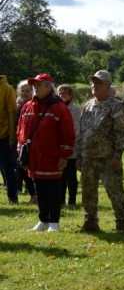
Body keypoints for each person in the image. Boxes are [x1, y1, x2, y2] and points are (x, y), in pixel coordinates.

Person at [18, 74, 75, 232]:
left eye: (39, 85)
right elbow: (21, 132)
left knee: (52, 191)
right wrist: (21, 152)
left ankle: (54, 223)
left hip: (52, 156)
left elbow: (68, 133)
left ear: (49, 88)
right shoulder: (27, 106)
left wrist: (64, 155)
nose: (35, 88)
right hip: (33, 157)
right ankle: (43, 220)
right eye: (34, 85)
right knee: (38, 190)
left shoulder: (59, 107)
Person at [76, 70, 124, 233]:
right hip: (88, 158)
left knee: (115, 192)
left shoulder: (115, 106)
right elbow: (82, 132)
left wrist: (117, 155)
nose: (94, 86)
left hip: (108, 158)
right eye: (93, 83)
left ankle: (121, 224)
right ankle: (90, 222)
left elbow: (123, 133)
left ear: (108, 86)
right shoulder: (87, 106)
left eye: (98, 83)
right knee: (88, 192)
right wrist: (79, 156)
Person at [57, 84, 81, 206]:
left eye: (64, 94)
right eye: (59, 93)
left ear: (70, 95)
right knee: (60, 176)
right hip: (58, 146)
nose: (61, 96)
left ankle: (72, 200)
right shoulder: (55, 108)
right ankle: (61, 200)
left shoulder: (75, 109)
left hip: (71, 147)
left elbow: (76, 127)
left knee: (71, 176)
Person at [16, 81, 35, 203]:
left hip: (32, 142)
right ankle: (34, 194)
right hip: (20, 142)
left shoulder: (34, 105)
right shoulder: (19, 106)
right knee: (21, 168)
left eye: (27, 90)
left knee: (30, 169)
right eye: (22, 90)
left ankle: (35, 195)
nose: (25, 93)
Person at [0, 74, 18, 205]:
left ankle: (12, 197)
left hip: (4, 135)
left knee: (7, 168)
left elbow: (12, 113)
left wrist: (12, 137)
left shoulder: (7, 88)